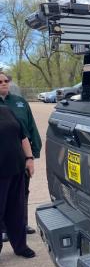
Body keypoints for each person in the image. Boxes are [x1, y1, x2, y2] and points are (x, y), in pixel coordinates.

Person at [0, 71, 41, 242]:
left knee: (22, 192)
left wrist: (33, 155)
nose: (4, 83)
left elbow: (29, 128)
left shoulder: (20, 102)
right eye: (0, 81)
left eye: (6, 80)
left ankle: (21, 224)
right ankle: (3, 229)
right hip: (3, 160)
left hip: (21, 157)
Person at [0, 103, 36, 259]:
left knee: (17, 210)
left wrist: (29, 158)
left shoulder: (6, 110)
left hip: (16, 169)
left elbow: (23, 137)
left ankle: (20, 246)